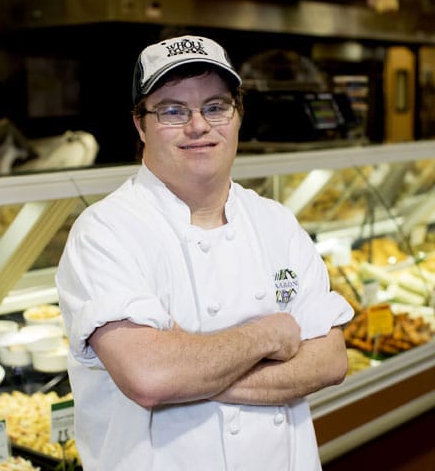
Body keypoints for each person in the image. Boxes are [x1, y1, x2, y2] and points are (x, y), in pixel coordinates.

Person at [55, 34, 354, 471]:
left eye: (215, 107)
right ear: (140, 125)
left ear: (237, 116)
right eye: (173, 111)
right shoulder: (105, 231)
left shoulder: (276, 222)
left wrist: (189, 366)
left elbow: (330, 361)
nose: (198, 126)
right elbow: (151, 377)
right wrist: (271, 334)